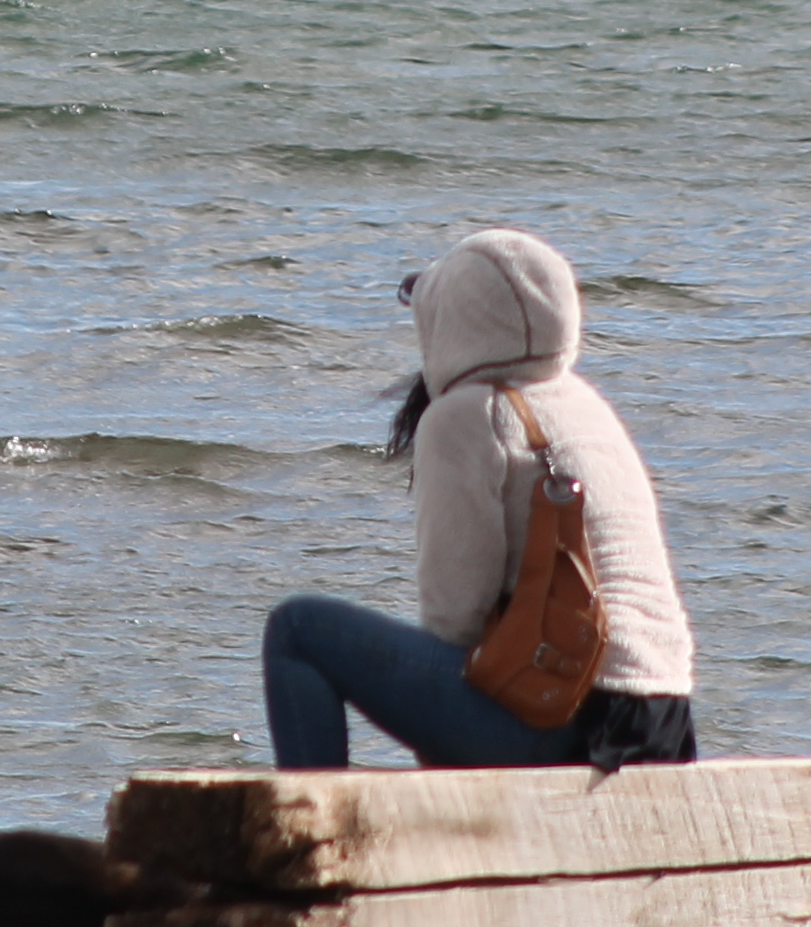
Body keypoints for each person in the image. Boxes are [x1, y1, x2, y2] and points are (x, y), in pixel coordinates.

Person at [260, 227, 698, 772]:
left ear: (451, 325)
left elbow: (454, 616)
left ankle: (306, 833)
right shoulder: (584, 404)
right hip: (660, 722)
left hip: (560, 719)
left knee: (298, 630)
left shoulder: (467, 416)